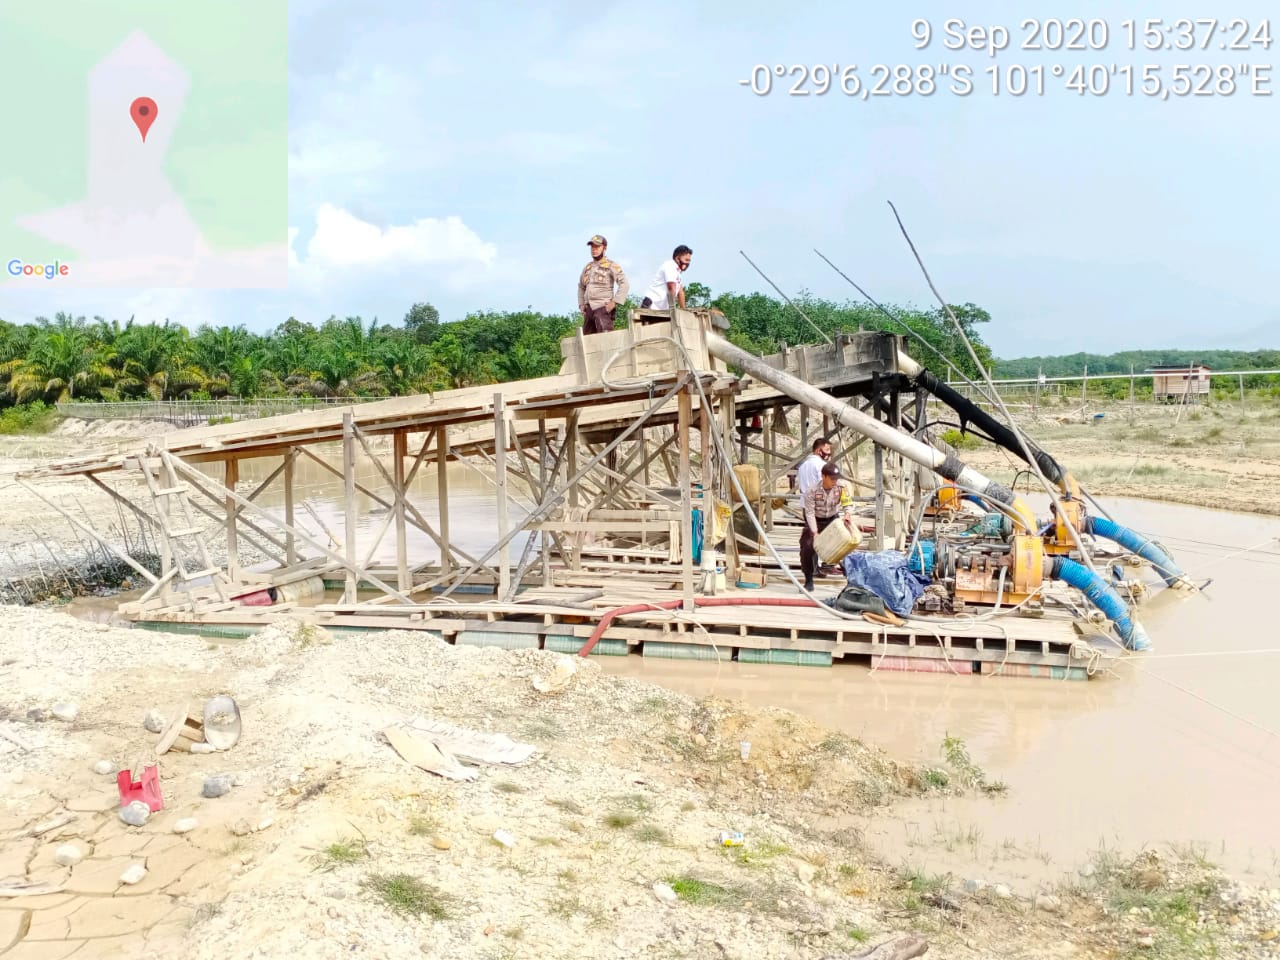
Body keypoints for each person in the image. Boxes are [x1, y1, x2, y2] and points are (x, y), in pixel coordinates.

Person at [800, 462, 855, 592]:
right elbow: (809, 512)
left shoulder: (841, 487)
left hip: (832, 519)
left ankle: (850, 579)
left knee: (845, 546)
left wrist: (847, 513)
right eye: (832, 479)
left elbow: (848, 503)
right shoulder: (812, 491)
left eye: (836, 478)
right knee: (807, 547)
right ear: (823, 476)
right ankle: (808, 579)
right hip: (816, 520)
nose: (835, 481)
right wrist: (814, 531)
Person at [578, 235, 629, 335]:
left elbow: (625, 284)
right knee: (587, 342)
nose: (594, 250)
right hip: (589, 309)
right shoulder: (588, 267)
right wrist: (581, 304)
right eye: (592, 247)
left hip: (603, 307)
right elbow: (581, 286)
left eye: (597, 247)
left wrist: (614, 303)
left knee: (606, 339)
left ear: (604, 248)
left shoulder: (611, 265)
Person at [640, 245, 692, 310]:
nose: (688, 263)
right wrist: (673, 309)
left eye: (689, 261)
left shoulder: (677, 272)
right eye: (686, 260)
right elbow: (671, 288)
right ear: (678, 259)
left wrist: (684, 310)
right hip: (652, 306)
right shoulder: (670, 266)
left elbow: (680, 291)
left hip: (661, 308)